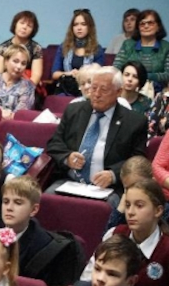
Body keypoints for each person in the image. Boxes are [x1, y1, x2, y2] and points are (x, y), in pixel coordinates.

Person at [46, 66, 147, 200]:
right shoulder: (73, 111)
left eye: (103, 90)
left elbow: (137, 161)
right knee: (46, 200)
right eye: (94, 88)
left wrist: (113, 174)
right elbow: (54, 143)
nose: (96, 94)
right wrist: (67, 157)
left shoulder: (134, 122)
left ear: (118, 92)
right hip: (70, 181)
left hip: (109, 188)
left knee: (107, 208)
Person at [80, 179, 169, 286]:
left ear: (158, 211)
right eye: (127, 205)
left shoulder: (166, 249)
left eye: (139, 206)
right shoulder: (114, 234)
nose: (130, 212)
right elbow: (87, 279)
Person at [0, 175, 85, 286]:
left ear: (34, 210)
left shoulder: (48, 249)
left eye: (18, 203)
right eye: (6, 201)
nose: (9, 208)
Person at [51, 10, 105, 95]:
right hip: (65, 88)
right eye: (76, 24)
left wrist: (81, 74)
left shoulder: (97, 49)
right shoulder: (64, 47)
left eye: (83, 24)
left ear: (89, 27)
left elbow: (98, 75)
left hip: (87, 90)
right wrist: (68, 73)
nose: (79, 28)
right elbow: (54, 74)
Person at [114, 9, 169, 90]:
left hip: (157, 89)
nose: (146, 26)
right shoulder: (128, 44)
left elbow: (167, 74)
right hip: (128, 87)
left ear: (158, 27)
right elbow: (116, 68)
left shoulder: (166, 47)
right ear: (138, 28)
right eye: (142, 24)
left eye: (150, 23)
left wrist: (142, 76)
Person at [0, 10, 44, 88]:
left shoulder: (36, 48)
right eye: (22, 23)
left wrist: (25, 90)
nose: (24, 27)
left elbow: (36, 76)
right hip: (4, 86)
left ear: (33, 30)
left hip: (27, 86)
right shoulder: (3, 47)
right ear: (15, 24)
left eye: (29, 26)